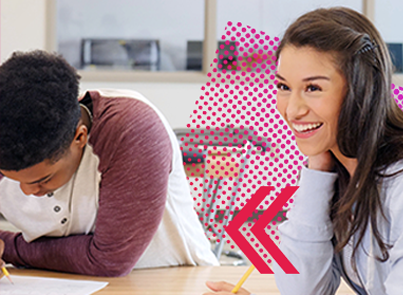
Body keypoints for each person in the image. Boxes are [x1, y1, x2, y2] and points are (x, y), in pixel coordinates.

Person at [204, 7, 403, 295]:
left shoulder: (397, 184)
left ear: (363, 91)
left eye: (313, 88)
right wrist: (317, 174)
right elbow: (303, 291)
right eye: (284, 86)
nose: (293, 110)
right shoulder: (342, 173)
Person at [0, 50, 219, 277]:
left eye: (43, 179)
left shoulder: (132, 130)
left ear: (80, 137)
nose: (27, 190)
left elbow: (108, 260)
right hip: (60, 281)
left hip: (171, 279)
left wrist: (8, 247)